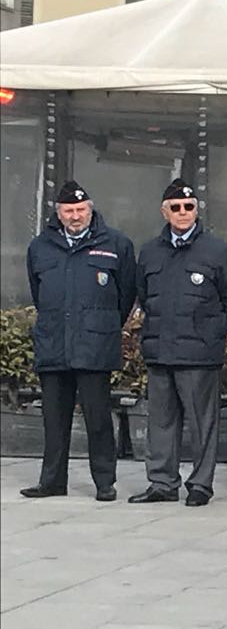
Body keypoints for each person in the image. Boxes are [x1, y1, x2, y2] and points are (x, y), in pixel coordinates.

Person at [127, 181, 227, 507]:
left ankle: (200, 485)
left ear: (196, 209)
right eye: (175, 207)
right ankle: (162, 483)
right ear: (164, 211)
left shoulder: (217, 251)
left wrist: (212, 334)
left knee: (203, 422)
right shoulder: (150, 251)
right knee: (160, 423)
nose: (182, 213)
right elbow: (144, 296)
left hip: (199, 354)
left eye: (188, 206)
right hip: (161, 351)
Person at [22, 182, 137, 501]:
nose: (75, 216)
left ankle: (104, 482)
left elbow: (126, 293)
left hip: (94, 345)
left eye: (80, 210)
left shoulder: (115, 243)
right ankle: (52, 481)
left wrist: (104, 323)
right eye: (69, 211)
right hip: (54, 342)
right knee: (53, 419)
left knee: (98, 417)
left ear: (91, 209)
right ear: (58, 213)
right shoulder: (40, 246)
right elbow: (39, 291)